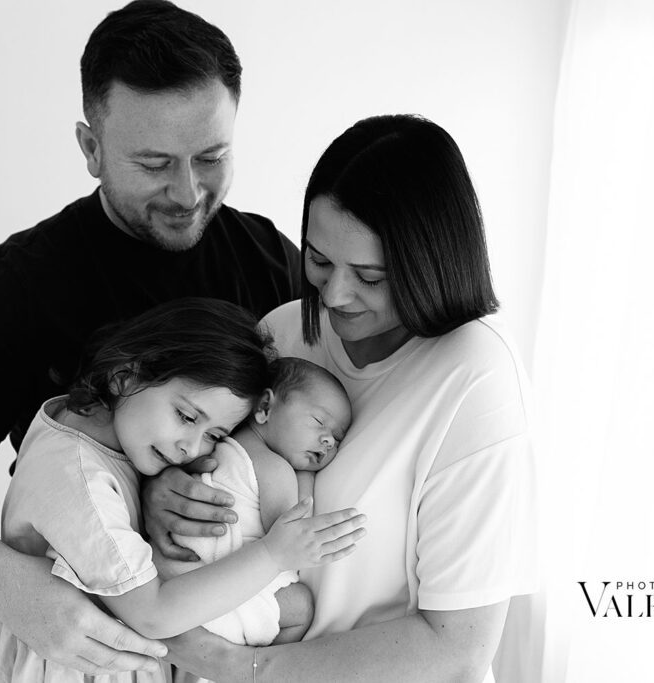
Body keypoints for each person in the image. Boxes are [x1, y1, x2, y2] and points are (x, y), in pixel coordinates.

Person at [0, 1, 300, 676]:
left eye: (212, 156)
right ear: (90, 148)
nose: (188, 192)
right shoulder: (26, 281)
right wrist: (7, 585)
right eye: (155, 162)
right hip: (74, 648)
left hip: (229, 644)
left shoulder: (270, 262)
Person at [144, 114, 539, 682]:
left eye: (370, 276)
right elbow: (209, 449)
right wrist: (167, 489)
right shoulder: (282, 332)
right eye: (320, 260)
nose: (334, 294)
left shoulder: (476, 377)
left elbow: (459, 646)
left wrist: (243, 667)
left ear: (431, 264)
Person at [0, 299, 366, 682]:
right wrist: (271, 553)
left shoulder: (88, 421)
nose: (192, 448)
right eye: (186, 416)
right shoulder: (80, 485)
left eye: (215, 435)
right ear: (124, 377)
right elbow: (154, 614)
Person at [154, 357, 353, 652]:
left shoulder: (214, 446)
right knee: (301, 607)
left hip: (168, 579)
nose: (327, 441)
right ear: (264, 408)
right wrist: (306, 478)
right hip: (214, 595)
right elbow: (293, 537)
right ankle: (261, 662)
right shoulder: (275, 469)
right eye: (319, 422)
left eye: (337, 439)